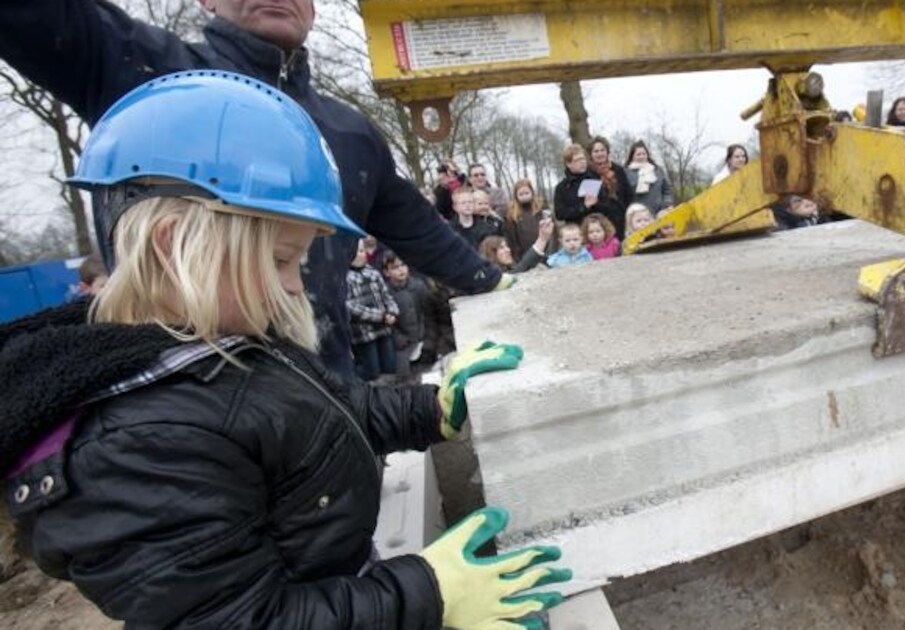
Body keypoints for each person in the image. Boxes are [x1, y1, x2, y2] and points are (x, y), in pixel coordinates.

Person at [0, 71, 567, 630]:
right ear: (173, 247)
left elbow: (333, 416)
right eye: (278, 260)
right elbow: (244, 619)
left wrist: (432, 407)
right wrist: (425, 594)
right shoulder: (137, 446)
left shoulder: (224, 346)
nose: (295, 284)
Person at [0, 0, 510, 380]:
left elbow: (422, 231)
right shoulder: (149, 74)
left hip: (324, 393)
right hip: (180, 414)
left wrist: (498, 281)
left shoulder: (351, 132)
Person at [346, 239, 399, 383]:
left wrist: (392, 312)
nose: (363, 254)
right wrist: (380, 316)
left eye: (363, 251)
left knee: (390, 366)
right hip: (363, 333)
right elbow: (351, 307)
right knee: (371, 371)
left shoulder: (374, 273)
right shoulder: (345, 278)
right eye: (359, 251)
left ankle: (391, 391)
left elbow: (386, 296)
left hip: (384, 329)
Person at [554, 143, 622, 233]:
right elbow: (560, 214)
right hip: (576, 232)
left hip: (597, 231)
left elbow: (608, 207)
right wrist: (583, 207)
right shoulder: (562, 187)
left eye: (583, 159)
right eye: (577, 160)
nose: (582, 162)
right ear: (568, 164)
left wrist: (596, 203)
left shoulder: (596, 180)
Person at [381, 254, 424, 384]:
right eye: (395, 267)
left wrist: (424, 332)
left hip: (422, 337)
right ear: (386, 272)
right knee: (404, 379)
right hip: (402, 344)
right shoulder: (384, 293)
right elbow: (386, 321)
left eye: (403, 265)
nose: (401, 270)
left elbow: (427, 312)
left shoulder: (418, 286)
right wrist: (398, 337)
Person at [587, 136, 633, 238]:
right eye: (596, 151)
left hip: (621, 217)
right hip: (600, 222)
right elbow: (590, 201)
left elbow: (628, 192)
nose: (600, 153)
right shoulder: (588, 174)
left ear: (607, 151)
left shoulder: (618, 170)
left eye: (602, 150)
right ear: (591, 154)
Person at [479, 217, 555, 273]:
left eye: (506, 246)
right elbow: (522, 268)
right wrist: (542, 239)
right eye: (501, 248)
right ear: (491, 253)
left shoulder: (509, 269)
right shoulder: (495, 279)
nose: (508, 250)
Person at [504, 178, 550, 261]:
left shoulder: (541, 207)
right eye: (521, 194)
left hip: (545, 249)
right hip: (524, 253)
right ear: (516, 196)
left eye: (527, 193)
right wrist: (517, 256)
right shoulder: (512, 213)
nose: (524, 196)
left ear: (532, 192)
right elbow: (511, 238)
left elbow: (551, 227)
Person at [625, 140, 675, 213]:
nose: (642, 156)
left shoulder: (658, 170)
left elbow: (667, 190)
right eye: (638, 154)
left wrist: (667, 205)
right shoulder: (626, 173)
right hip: (637, 214)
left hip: (660, 212)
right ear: (632, 156)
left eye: (644, 154)